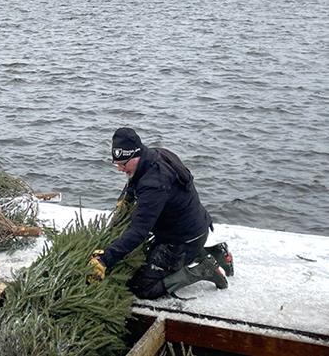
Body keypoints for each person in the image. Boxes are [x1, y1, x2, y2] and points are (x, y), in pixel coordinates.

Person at [88, 127, 234, 299]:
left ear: (136, 154)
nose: (120, 168)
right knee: (146, 264)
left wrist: (105, 260)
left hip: (181, 240)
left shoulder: (154, 185)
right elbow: (135, 178)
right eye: (117, 163)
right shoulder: (157, 154)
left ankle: (204, 270)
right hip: (194, 225)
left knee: (142, 288)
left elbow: (138, 231)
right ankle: (215, 252)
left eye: (123, 164)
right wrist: (126, 197)